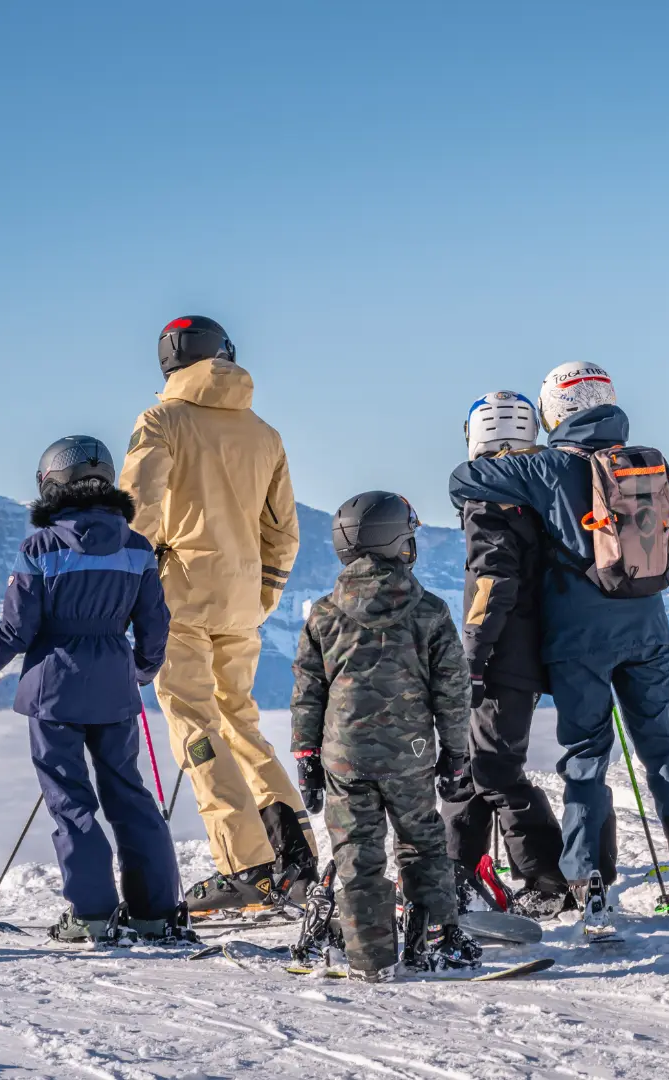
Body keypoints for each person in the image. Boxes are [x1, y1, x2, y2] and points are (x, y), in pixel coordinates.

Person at [447, 363, 669, 940]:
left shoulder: (549, 466)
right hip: (650, 631)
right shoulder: (645, 463)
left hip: (579, 642)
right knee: (663, 747)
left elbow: (465, 479)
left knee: (586, 758)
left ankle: (591, 881)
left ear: (556, 410)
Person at [0, 436, 185, 944]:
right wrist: (140, 671)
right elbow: (155, 625)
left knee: (71, 802)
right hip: (116, 689)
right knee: (129, 794)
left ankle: (93, 914)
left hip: (53, 693)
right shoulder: (137, 548)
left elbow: (14, 634)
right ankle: (154, 912)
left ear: (50, 485)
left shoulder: (40, 549)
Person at [121, 315, 316, 913]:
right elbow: (283, 534)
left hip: (177, 598)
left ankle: (246, 866)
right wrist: (260, 596)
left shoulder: (161, 421)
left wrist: (121, 589)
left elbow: (138, 510)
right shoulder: (265, 434)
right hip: (241, 601)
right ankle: (296, 859)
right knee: (240, 721)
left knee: (194, 726)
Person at [290, 491, 481, 980]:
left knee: (356, 855)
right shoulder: (429, 612)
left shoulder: (324, 614)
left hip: (344, 759)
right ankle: (435, 939)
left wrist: (306, 755)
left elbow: (308, 691)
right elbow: (452, 691)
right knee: (422, 844)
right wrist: (455, 753)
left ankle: (370, 959)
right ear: (396, 543)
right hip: (409, 757)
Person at [437, 391, 571, 918]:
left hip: (502, 655)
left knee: (492, 768)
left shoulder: (488, 498)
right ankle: (458, 872)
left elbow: (492, 580)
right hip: (533, 646)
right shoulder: (537, 491)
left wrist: (472, 656)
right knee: (474, 765)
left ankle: (547, 878)